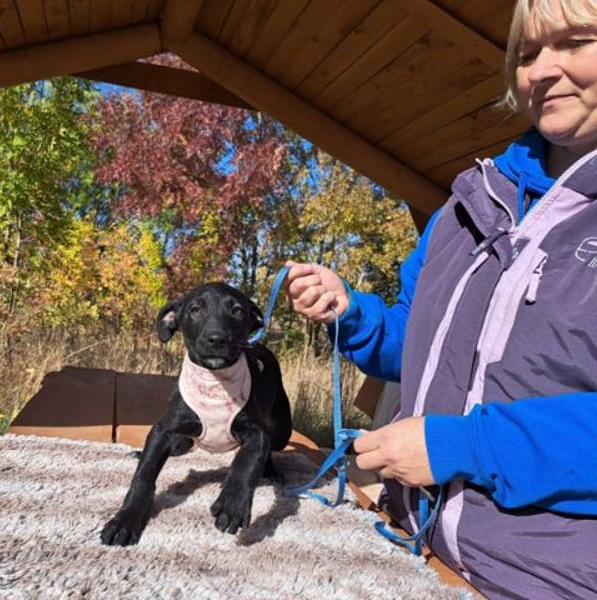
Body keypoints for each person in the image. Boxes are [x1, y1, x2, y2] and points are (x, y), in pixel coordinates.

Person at [285, 0, 597, 597]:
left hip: (547, 579)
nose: (542, 71)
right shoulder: (467, 205)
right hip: (410, 542)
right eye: (527, 54)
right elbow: (417, 342)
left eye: (574, 42)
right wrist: (352, 313)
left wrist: (464, 446)